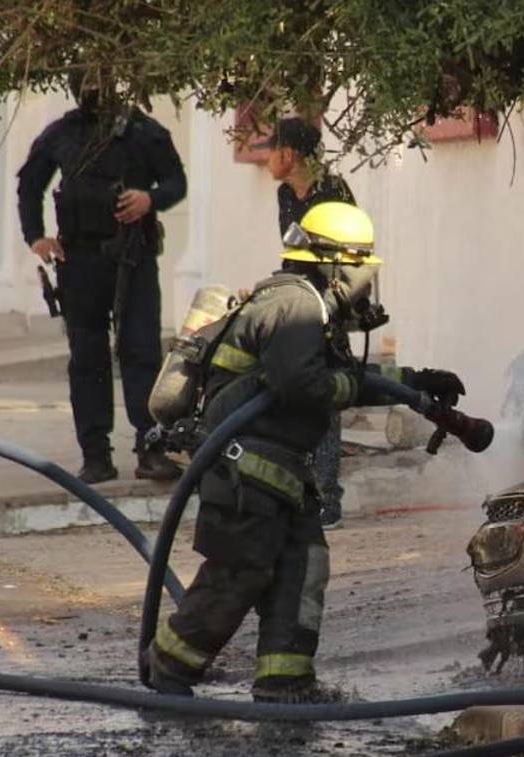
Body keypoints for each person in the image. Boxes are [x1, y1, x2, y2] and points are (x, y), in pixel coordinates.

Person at [144, 202, 467, 702]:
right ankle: (167, 669)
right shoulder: (295, 307)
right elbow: (301, 385)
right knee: (240, 573)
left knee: (304, 565)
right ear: (336, 265)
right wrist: (373, 388)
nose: (366, 285)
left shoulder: (308, 309)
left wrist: (417, 383)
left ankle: (285, 681)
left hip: (278, 472)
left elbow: (346, 379)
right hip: (246, 469)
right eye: (362, 271)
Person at [16, 66, 187, 484]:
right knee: (87, 360)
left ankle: (152, 449)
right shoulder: (62, 132)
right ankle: (96, 456)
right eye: (86, 82)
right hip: (81, 261)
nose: (93, 90)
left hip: (134, 258)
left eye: (101, 81)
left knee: (141, 352)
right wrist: (36, 237)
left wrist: (150, 199)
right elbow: (30, 184)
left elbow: (176, 182)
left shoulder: (145, 131)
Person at [259, 116, 356, 530]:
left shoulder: (333, 193)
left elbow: (349, 256)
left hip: (329, 303)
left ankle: (328, 498)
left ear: (289, 154)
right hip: (296, 300)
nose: (265, 159)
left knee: (325, 396)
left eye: (270, 150)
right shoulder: (286, 194)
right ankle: (299, 488)